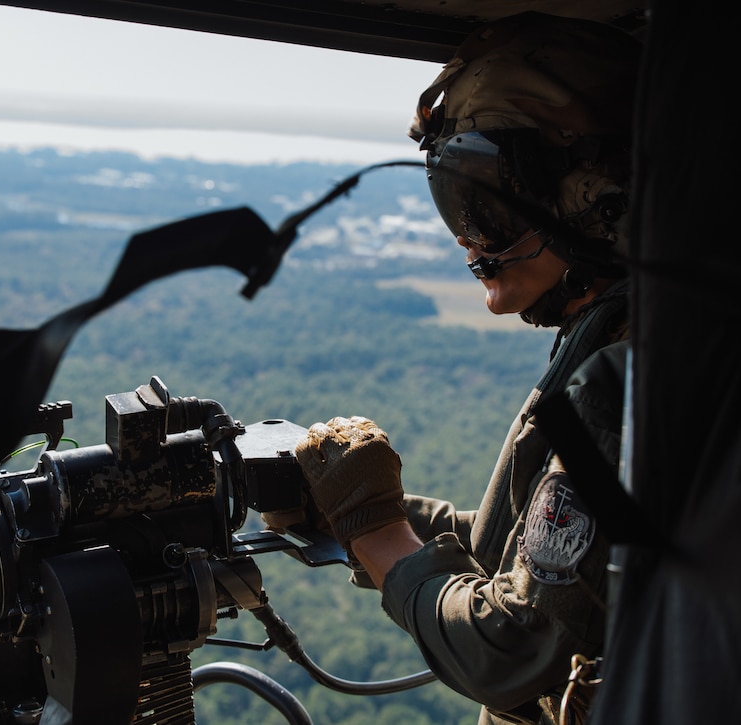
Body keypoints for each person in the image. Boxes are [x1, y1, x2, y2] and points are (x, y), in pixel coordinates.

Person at [265, 13, 642, 725]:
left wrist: (377, 533)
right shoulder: (638, 346)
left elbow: (514, 650)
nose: (468, 237)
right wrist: (355, 510)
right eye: (453, 198)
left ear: (595, 193)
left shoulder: (624, 386)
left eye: (488, 204)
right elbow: (531, 558)